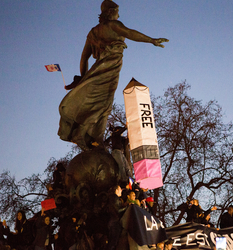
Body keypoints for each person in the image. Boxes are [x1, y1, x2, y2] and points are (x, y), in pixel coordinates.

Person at [58, 0, 168, 150]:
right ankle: (82, 133)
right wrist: (151, 40)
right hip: (110, 69)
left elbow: (84, 58)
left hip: (97, 71)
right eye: (117, 11)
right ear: (110, 12)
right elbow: (130, 33)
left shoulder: (93, 33)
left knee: (99, 104)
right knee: (104, 105)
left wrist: (84, 77)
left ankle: (95, 138)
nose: (119, 14)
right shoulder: (113, 25)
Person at [107, 185, 127, 250]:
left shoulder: (113, 198)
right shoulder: (114, 198)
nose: (121, 190)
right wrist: (127, 207)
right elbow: (117, 210)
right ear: (116, 190)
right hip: (114, 223)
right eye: (120, 189)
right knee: (113, 243)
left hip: (112, 222)